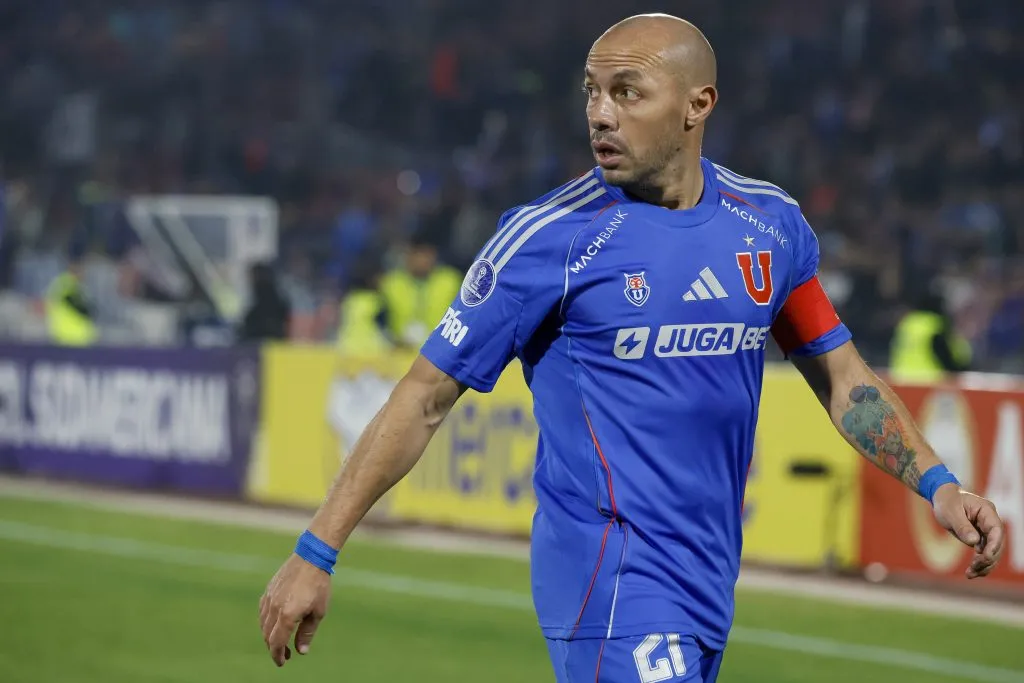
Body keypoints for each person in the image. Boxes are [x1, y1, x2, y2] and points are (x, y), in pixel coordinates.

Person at [259, 14, 1005, 681]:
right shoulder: (549, 239)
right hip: (607, 576)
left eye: (626, 92)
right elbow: (423, 394)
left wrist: (939, 484)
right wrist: (318, 550)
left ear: (697, 105)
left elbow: (842, 377)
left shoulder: (769, 227)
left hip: (709, 576)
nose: (599, 115)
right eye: (590, 92)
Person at [378, 232, 462, 348]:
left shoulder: (450, 280)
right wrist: (391, 340)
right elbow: (379, 323)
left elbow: (463, 317)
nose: (424, 260)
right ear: (409, 255)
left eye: (428, 254)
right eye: (419, 254)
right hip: (399, 353)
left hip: (440, 352)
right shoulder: (391, 283)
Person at [889, 287, 972, 381]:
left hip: (901, 380)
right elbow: (942, 354)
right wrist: (959, 370)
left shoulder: (907, 323)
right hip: (927, 381)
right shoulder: (934, 324)